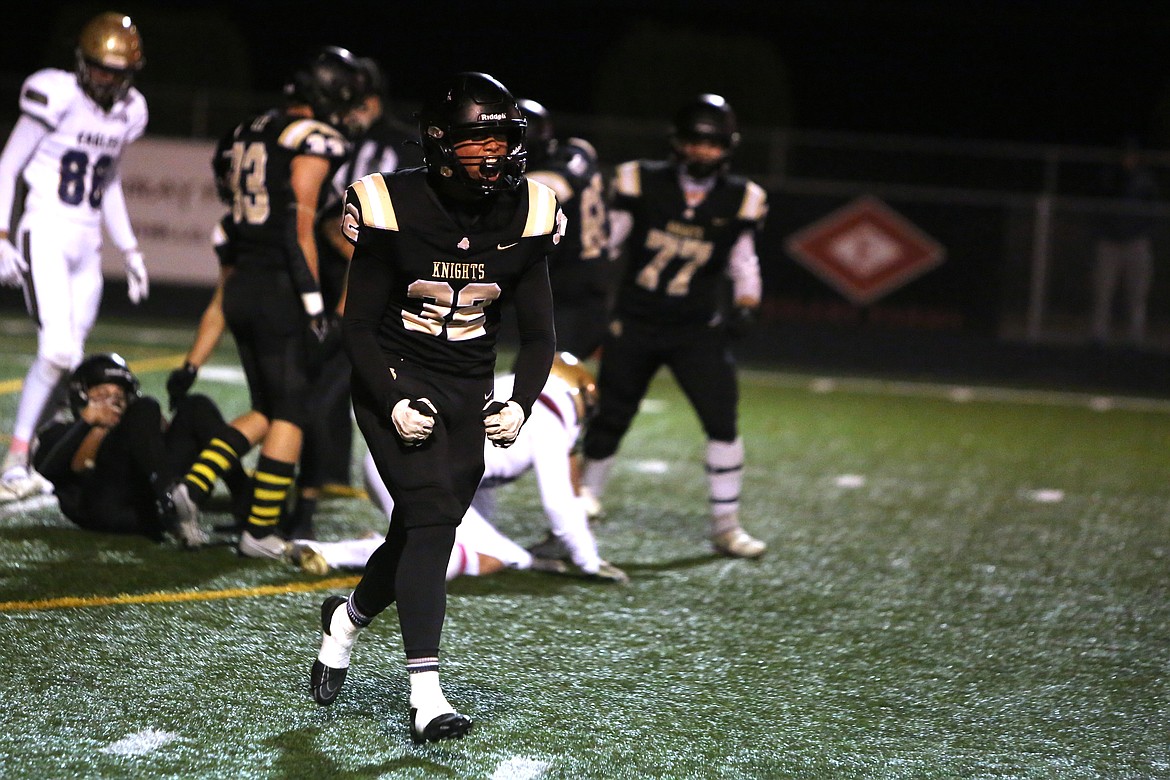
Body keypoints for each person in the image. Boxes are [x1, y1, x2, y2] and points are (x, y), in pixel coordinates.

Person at [310, 72, 560, 744]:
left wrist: (520, 402)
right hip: (394, 372)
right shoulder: (389, 204)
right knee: (426, 519)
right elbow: (357, 327)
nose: (497, 153)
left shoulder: (530, 210)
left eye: (504, 139)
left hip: (468, 386)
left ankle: (345, 623)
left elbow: (540, 336)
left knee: (429, 531)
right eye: (481, 139)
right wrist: (390, 402)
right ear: (442, 143)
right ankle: (427, 697)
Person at [162, 46, 367, 557]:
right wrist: (316, 305)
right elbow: (298, 223)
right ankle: (259, 531)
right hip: (281, 289)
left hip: (242, 283)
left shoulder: (244, 132)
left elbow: (267, 214)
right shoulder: (312, 139)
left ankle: (191, 486)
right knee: (293, 414)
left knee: (268, 409)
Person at [578, 94, 769, 560]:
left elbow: (744, 260)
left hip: (696, 327)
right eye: (696, 142)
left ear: (728, 147)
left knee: (722, 420)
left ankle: (726, 525)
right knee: (610, 416)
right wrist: (588, 286)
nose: (703, 152)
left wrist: (747, 302)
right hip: (637, 321)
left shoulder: (743, 196)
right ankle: (581, 509)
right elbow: (609, 241)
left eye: (713, 143)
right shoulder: (638, 179)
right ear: (678, 143)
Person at [290, 354, 626, 584]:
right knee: (493, 557)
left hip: (389, 461)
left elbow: (473, 481)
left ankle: (376, 545)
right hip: (417, 473)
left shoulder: (507, 387)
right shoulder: (547, 418)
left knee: (461, 545)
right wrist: (589, 562)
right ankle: (331, 551)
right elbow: (558, 503)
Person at [0, 12, 150, 502]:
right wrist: (1, 234)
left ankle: (35, 453)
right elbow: (8, 165)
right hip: (43, 228)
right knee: (57, 351)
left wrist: (128, 248)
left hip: (87, 241)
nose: (107, 79)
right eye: (99, 68)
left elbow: (107, 182)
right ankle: (15, 462)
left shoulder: (131, 111)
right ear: (82, 64)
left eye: (116, 71)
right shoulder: (56, 94)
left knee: (68, 361)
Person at [283, 56, 425, 539]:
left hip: (380, 288)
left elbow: (400, 230)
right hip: (341, 273)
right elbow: (326, 217)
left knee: (321, 393)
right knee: (318, 389)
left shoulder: (399, 146)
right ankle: (324, 479)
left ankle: (306, 503)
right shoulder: (343, 139)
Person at [31, 353, 247, 546]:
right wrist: (88, 424)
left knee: (197, 405)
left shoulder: (137, 422)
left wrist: (157, 431)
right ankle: (172, 503)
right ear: (82, 396)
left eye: (119, 395)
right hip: (105, 509)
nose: (114, 401)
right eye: (102, 394)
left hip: (149, 505)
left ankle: (248, 507)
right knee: (148, 406)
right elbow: (49, 468)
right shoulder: (62, 431)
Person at [516, 98, 612, 359]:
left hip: (570, 291)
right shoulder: (579, 151)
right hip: (594, 281)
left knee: (539, 381)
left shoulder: (543, 183)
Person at [1091, 138, 1161, 346]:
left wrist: (1144, 231)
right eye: (1124, 155)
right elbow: (1098, 204)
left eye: (1131, 155)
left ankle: (1135, 337)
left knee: (1137, 293)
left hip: (1136, 241)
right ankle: (1099, 335)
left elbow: (1153, 210)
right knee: (1103, 291)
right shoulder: (1109, 177)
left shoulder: (1145, 180)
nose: (1128, 159)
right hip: (1109, 241)